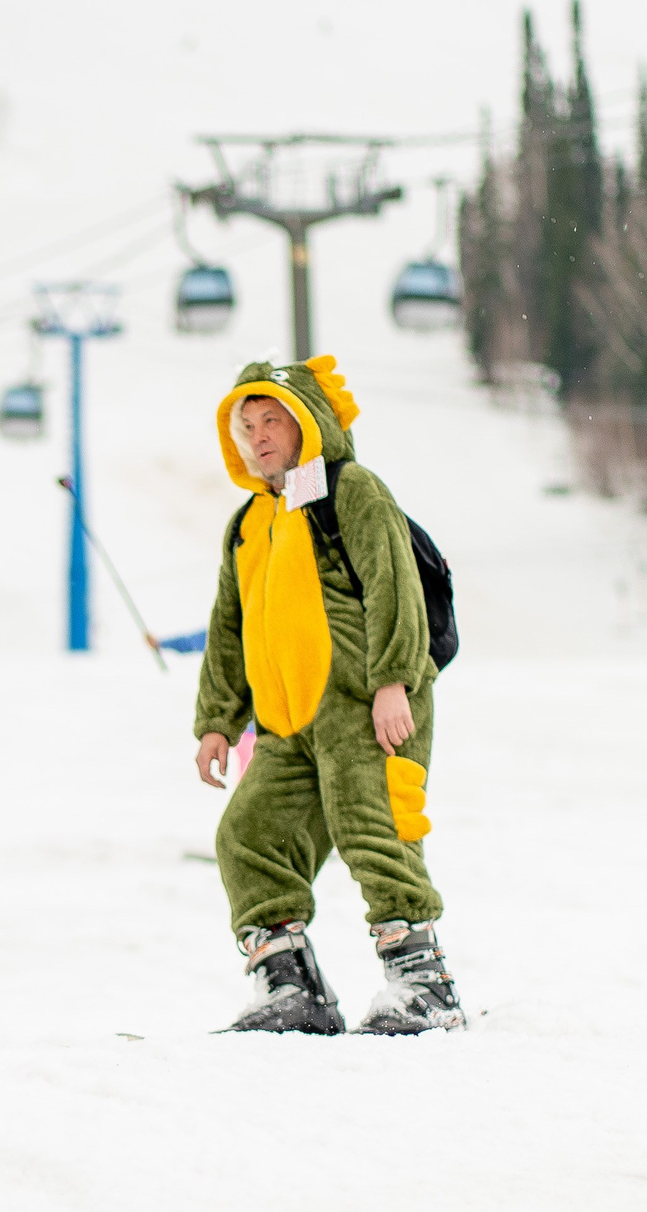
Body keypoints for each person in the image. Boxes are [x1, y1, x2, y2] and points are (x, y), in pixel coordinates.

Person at [194, 357, 466, 1037]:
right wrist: (217, 721)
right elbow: (230, 626)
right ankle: (294, 989)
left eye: (273, 420)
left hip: (365, 705)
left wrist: (393, 680)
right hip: (286, 722)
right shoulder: (249, 522)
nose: (258, 436)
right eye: (247, 426)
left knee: (373, 828)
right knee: (248, 836)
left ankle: (426, 987)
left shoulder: (351, 492)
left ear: (308, 424)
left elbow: (394, 584)